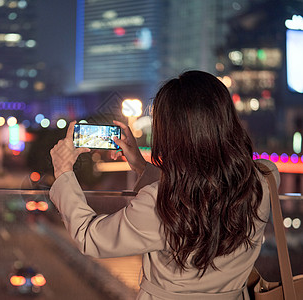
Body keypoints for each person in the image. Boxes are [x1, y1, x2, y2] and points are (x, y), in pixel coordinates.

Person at [49, 70, 280, 299]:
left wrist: (63, 173)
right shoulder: (266, 178)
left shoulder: (160, 203)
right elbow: (203, 186)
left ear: (170, 134)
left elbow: (90, 237)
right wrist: (141, 166)